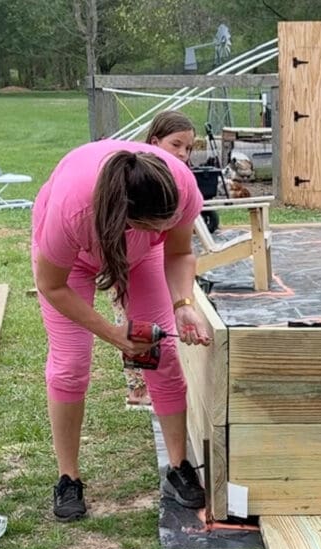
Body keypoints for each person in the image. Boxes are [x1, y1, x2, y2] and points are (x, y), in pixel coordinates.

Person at [32, 138, 210, 521]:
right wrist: (113, 334)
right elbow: (51, 285)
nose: (166, 231)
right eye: (157, 227)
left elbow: (178, 252)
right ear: (129, 219)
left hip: (140, 256)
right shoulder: (73, 210)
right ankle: (68, 478)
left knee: (159, 353)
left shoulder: (179, 186)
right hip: (70, 265)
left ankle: (178, 467)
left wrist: (183, 305)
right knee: (70, 364)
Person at [111, 111, 196, 408]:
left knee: (153, 325)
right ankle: (137, 388)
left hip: (150, 254)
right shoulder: (135, 179)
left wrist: (183, 303)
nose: (183, 153)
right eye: (176, 145)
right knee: (131, 324)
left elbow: (179, 249)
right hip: (122, 256)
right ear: (155, 142)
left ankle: (155, 386)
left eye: (189, 148)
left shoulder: (181, 180)